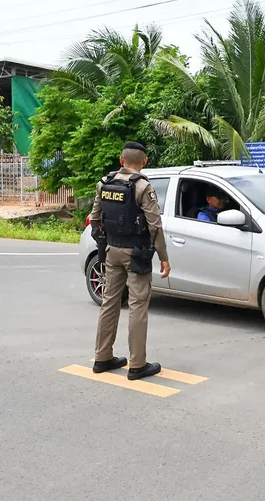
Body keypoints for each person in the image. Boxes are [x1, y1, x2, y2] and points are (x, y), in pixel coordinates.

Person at [89, 142, 171, 381]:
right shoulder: (143, 187)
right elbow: (155, 225)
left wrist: (104, 243)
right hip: (137, 253)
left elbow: (95, 219)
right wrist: (164, 258)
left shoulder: (104, 184)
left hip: (111, 250)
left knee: (109, 303)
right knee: (137, 305)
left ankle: (102, 357)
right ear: (144, 161)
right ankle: (137, 364)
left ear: (121, 160)